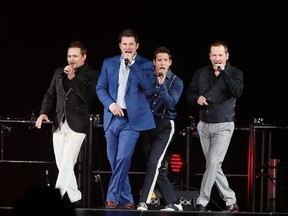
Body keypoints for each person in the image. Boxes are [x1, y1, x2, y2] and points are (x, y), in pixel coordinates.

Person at [96, 29, 156, 209]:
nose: (128, 47)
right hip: (113, 117)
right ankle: (128, 197)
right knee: (114, 160)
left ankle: (112, 197)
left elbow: (149, 88)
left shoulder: (145, 64)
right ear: (120, 46)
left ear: (137, 46)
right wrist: (110, 104)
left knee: (123, 158)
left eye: (131, 44)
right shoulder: (109, 63)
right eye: (125, 44)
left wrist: (133, 66)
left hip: (132, 120)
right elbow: (101, 88)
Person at [35, 40, 100, 206]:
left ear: (83, 57)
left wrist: (74, 78)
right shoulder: (59, 72)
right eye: (69, 56)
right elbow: (50, 94)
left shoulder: (91, 74)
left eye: (75, 56)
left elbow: (89, 96)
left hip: (77, 124)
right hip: (59, 122)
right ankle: (75, 197)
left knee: (66, 163)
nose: (71, 59)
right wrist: (43, 113)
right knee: (61, 163)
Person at [186, 40, 244, 212]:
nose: (217, 59)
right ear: (210, 56)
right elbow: (189, 94)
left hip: (224, 125)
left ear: (226, 56)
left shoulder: (235, 73)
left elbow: (238, 92)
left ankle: (202, 201)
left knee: (212, 162)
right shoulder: (201, 72)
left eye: (220, 55)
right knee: (214, 165)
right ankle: (231, 201)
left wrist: (224, 73)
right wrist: (196, 99)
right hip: (204, 125)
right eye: (214, 55)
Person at [136, 46, 184, 211]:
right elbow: (141, 97)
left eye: (165, 60)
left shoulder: (176, 81)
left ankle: (144, 201)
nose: (162, 63)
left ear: (170, 62)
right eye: (159, 60)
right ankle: (175, 203)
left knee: (153, 163)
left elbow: (171, 104)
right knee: (155, 165)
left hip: (164, 125)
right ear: (154, 62)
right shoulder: (148, 78)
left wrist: (162, 85)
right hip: (147, 124)